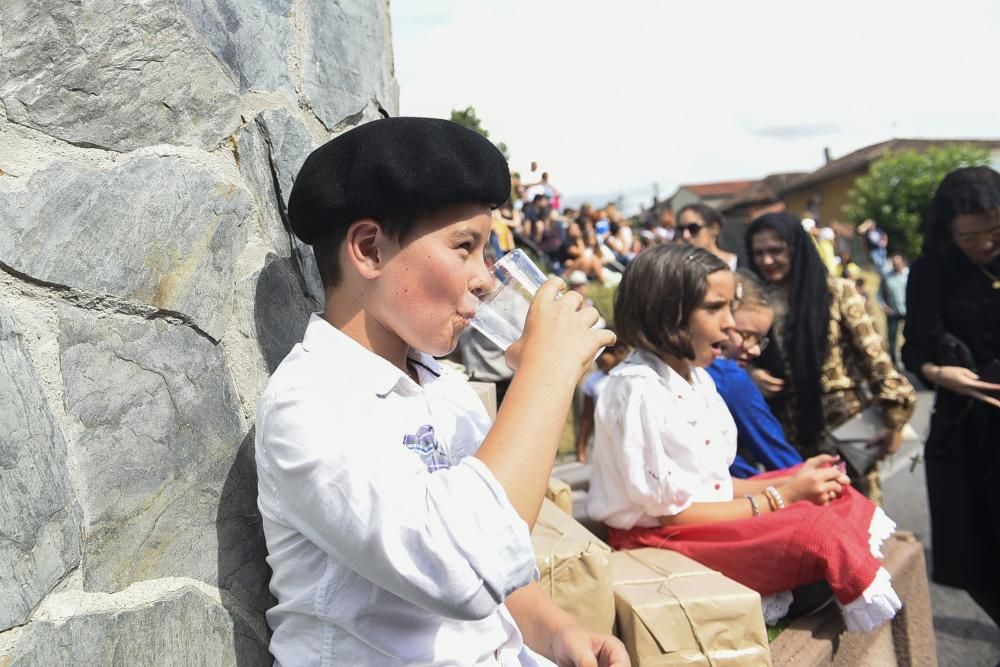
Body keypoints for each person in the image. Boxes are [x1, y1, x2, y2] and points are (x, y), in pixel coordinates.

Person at [256, 117, 625, 665]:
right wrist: (543, 377)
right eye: (465, 247)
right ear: (370, 250)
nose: (484, 277)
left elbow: (500, 568)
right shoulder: (310, 404)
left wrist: (556, 631)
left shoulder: (438, 383)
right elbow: (461, 568)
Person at [586, 244, 901, 632]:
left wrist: (792, 478)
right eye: (715, 308)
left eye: (729, 307)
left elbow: (710, 484)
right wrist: (784, 496)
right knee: (816, 531)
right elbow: (673, 511)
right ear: (668, 312)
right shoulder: (637, 390)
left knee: (838, 495)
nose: (730, 324)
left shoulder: (696, 376)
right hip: (657, 538)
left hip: (688, 520)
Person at [745, 212, 916, 501]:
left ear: (796, 248)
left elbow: (875, 359)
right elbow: (733, 355)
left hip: (844, 428)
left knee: (862, 522)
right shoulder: (754, 301)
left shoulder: (837, 293)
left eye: (775, 250)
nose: (767, 260)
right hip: (787, 438)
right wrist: (752, 375)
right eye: (758, 253)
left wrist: (894, 420)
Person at [901, 165, 1000, 628]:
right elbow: (913, 349)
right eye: (970, 237)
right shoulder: (930, 273)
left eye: (995, 232)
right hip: (963, 430)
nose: (984, 245)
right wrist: (943, 373)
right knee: (970, 554)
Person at [706, 269, 803, 478]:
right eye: (746, 335)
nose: (755, 350)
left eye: (760, 340)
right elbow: (781, 458)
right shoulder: (729, 377)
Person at [575, 339, 626, 463]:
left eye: (603, 354)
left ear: (619, 353)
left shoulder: (628, 376)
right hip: (603, 441)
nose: (599, 359)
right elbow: (587, 416)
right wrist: (582, 446)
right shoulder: (593, 380)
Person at [676, 203, 738, 269]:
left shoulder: (738, 264)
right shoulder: (680, 268)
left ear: (714, 229)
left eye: (693, 228)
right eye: (681, 229)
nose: (685, 235)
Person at [879, 254, 908, 365]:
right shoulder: (886, 277)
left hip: (907, 310)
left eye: (899, 264)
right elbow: (879, 293)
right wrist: (884, 306)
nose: (897, 266)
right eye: (895, 264)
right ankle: (894, 360)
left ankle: (908, 357)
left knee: (910, 334)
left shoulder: (907, 274)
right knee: (892, 336)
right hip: (893, 311)